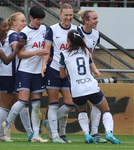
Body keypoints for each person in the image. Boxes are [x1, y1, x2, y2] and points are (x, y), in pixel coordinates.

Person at [59, 29, 121, 144]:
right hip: (91, 86)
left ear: (68, 40)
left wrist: (71, 72)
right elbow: (91, 66)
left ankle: (87, 135)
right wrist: (95, 71)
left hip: (77, 89)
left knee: (82, 110)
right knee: (106, 110)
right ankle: (109, 133)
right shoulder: (86, 51)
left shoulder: (63, 53)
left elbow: (62, 75)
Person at [0, 12, 33, 142]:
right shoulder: (13, 34)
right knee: (7, 105)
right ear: (14, 23)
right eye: (22, 21)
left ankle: (30, 133)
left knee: (20, 104)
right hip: (8, 74)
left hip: (11, 74)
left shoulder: (11, 34)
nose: (24, 23)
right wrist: (36, 51)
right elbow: (17, 50)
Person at [2, 6, 49, 143]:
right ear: (31, 18)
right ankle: (7, 125)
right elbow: (20, 54)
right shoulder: (24, 33)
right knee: (22, 101)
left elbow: (46, 48)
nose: (40, 22)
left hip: (38, 72)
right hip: (25, 71)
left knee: (36, 104)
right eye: (38, 19)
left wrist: (44, 63)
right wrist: (37, 53)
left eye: (42, 19)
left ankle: (35, 134)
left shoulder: (44, 29)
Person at [41, 3, 82, 143]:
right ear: (60, 15)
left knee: (70, 103)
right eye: (66, 15)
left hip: (69, 72)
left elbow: (80, 50)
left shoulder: (77, 30)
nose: (68, 18)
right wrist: (43, 66)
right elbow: (46, 49)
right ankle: (56, 134)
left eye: (71, 15)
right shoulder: (52, 30)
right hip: (53, 70)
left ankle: (50, 123)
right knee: (53, 103)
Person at [77, 9, 107, 143]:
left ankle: (94, 133)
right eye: (94, 18)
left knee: (97, 101)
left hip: (88, 73)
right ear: (86, 20)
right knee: (71, 105)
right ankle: (53, 123)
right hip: (76, 73)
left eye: (97, 18)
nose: (97, 21)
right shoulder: (76, 32)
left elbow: (91, 52)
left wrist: (93, 67)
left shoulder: (96, 34)